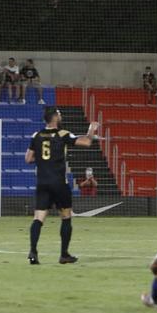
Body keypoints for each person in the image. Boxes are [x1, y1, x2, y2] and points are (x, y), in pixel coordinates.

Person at [25, 107, 100, 265]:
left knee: (38, 218)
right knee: (66, 217)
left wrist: (43, 159)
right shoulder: (63, 134)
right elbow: (86, 142)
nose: (61, 116)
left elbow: (28, 159)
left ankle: (33, 251)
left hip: (42, 182)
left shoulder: (36, 135)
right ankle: (64, 254)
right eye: (59, 114)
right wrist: (91, 129)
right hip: (59, 183)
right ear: (54, 118)